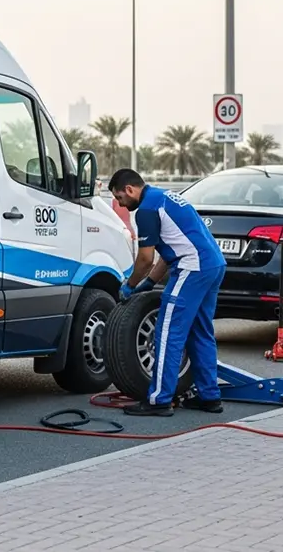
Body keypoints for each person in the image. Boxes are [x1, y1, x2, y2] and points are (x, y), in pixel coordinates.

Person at [108, 168, 227, 417]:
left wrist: (129, 286)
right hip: (213, 264)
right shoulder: (164, 197)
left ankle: (159, 400)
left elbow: (144, 258)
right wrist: (150, 283)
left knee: (167, 332)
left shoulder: (147, 210)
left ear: (130, 190)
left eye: (119, 198)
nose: (120, 203)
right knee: (200, 331)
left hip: (192, 268)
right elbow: (168, 250)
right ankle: (210, 397)